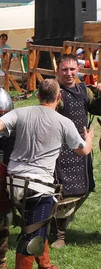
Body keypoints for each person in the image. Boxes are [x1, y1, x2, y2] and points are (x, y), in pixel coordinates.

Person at [0, 79, 94, 269]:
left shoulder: (21, 112)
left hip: (13, 183)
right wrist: (90, 139)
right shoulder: (63, 122)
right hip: (38, 186)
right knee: (33, 232)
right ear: (58, 97)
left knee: (37, 224)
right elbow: (83, 150)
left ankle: (46, 267)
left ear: (38, 95)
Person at [50, 54, 101, 248]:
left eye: (72, 69)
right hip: (61, 150)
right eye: (65, 69)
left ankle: (62, 223)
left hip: (81, 147)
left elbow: (96, 108)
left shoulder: (83, 90)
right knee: (62, 193)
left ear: (77, 70)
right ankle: (59, 235)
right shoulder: (55, 92)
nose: (69, 73)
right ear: (58, 71)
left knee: (85, 188)